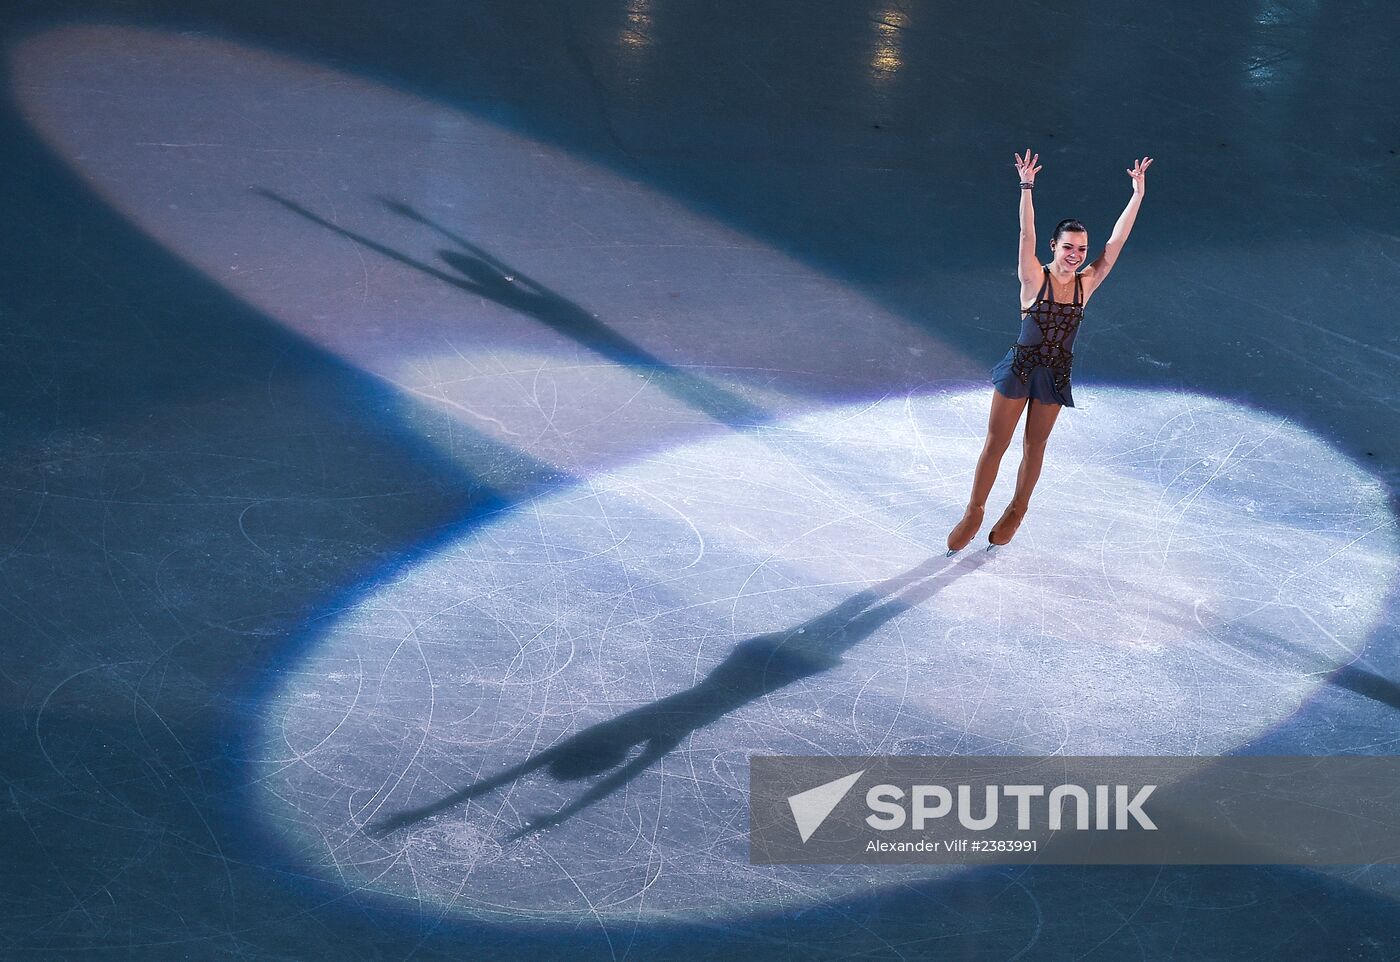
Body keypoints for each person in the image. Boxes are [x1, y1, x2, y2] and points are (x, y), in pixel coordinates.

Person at [946, 149, 1153, 551]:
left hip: (1054, 374)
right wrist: (1026, 187)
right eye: (1068, 247)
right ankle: (974, 510)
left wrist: (1137, 194)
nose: (1076, 256)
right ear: (1054, 246)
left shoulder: (1086, 283)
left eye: (1081, 249)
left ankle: (1017, 509)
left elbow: (1116, 242)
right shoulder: (1032, 277)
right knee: (996, 443)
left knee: (1035, 446)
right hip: (1020, 369)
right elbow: (1026, 235)